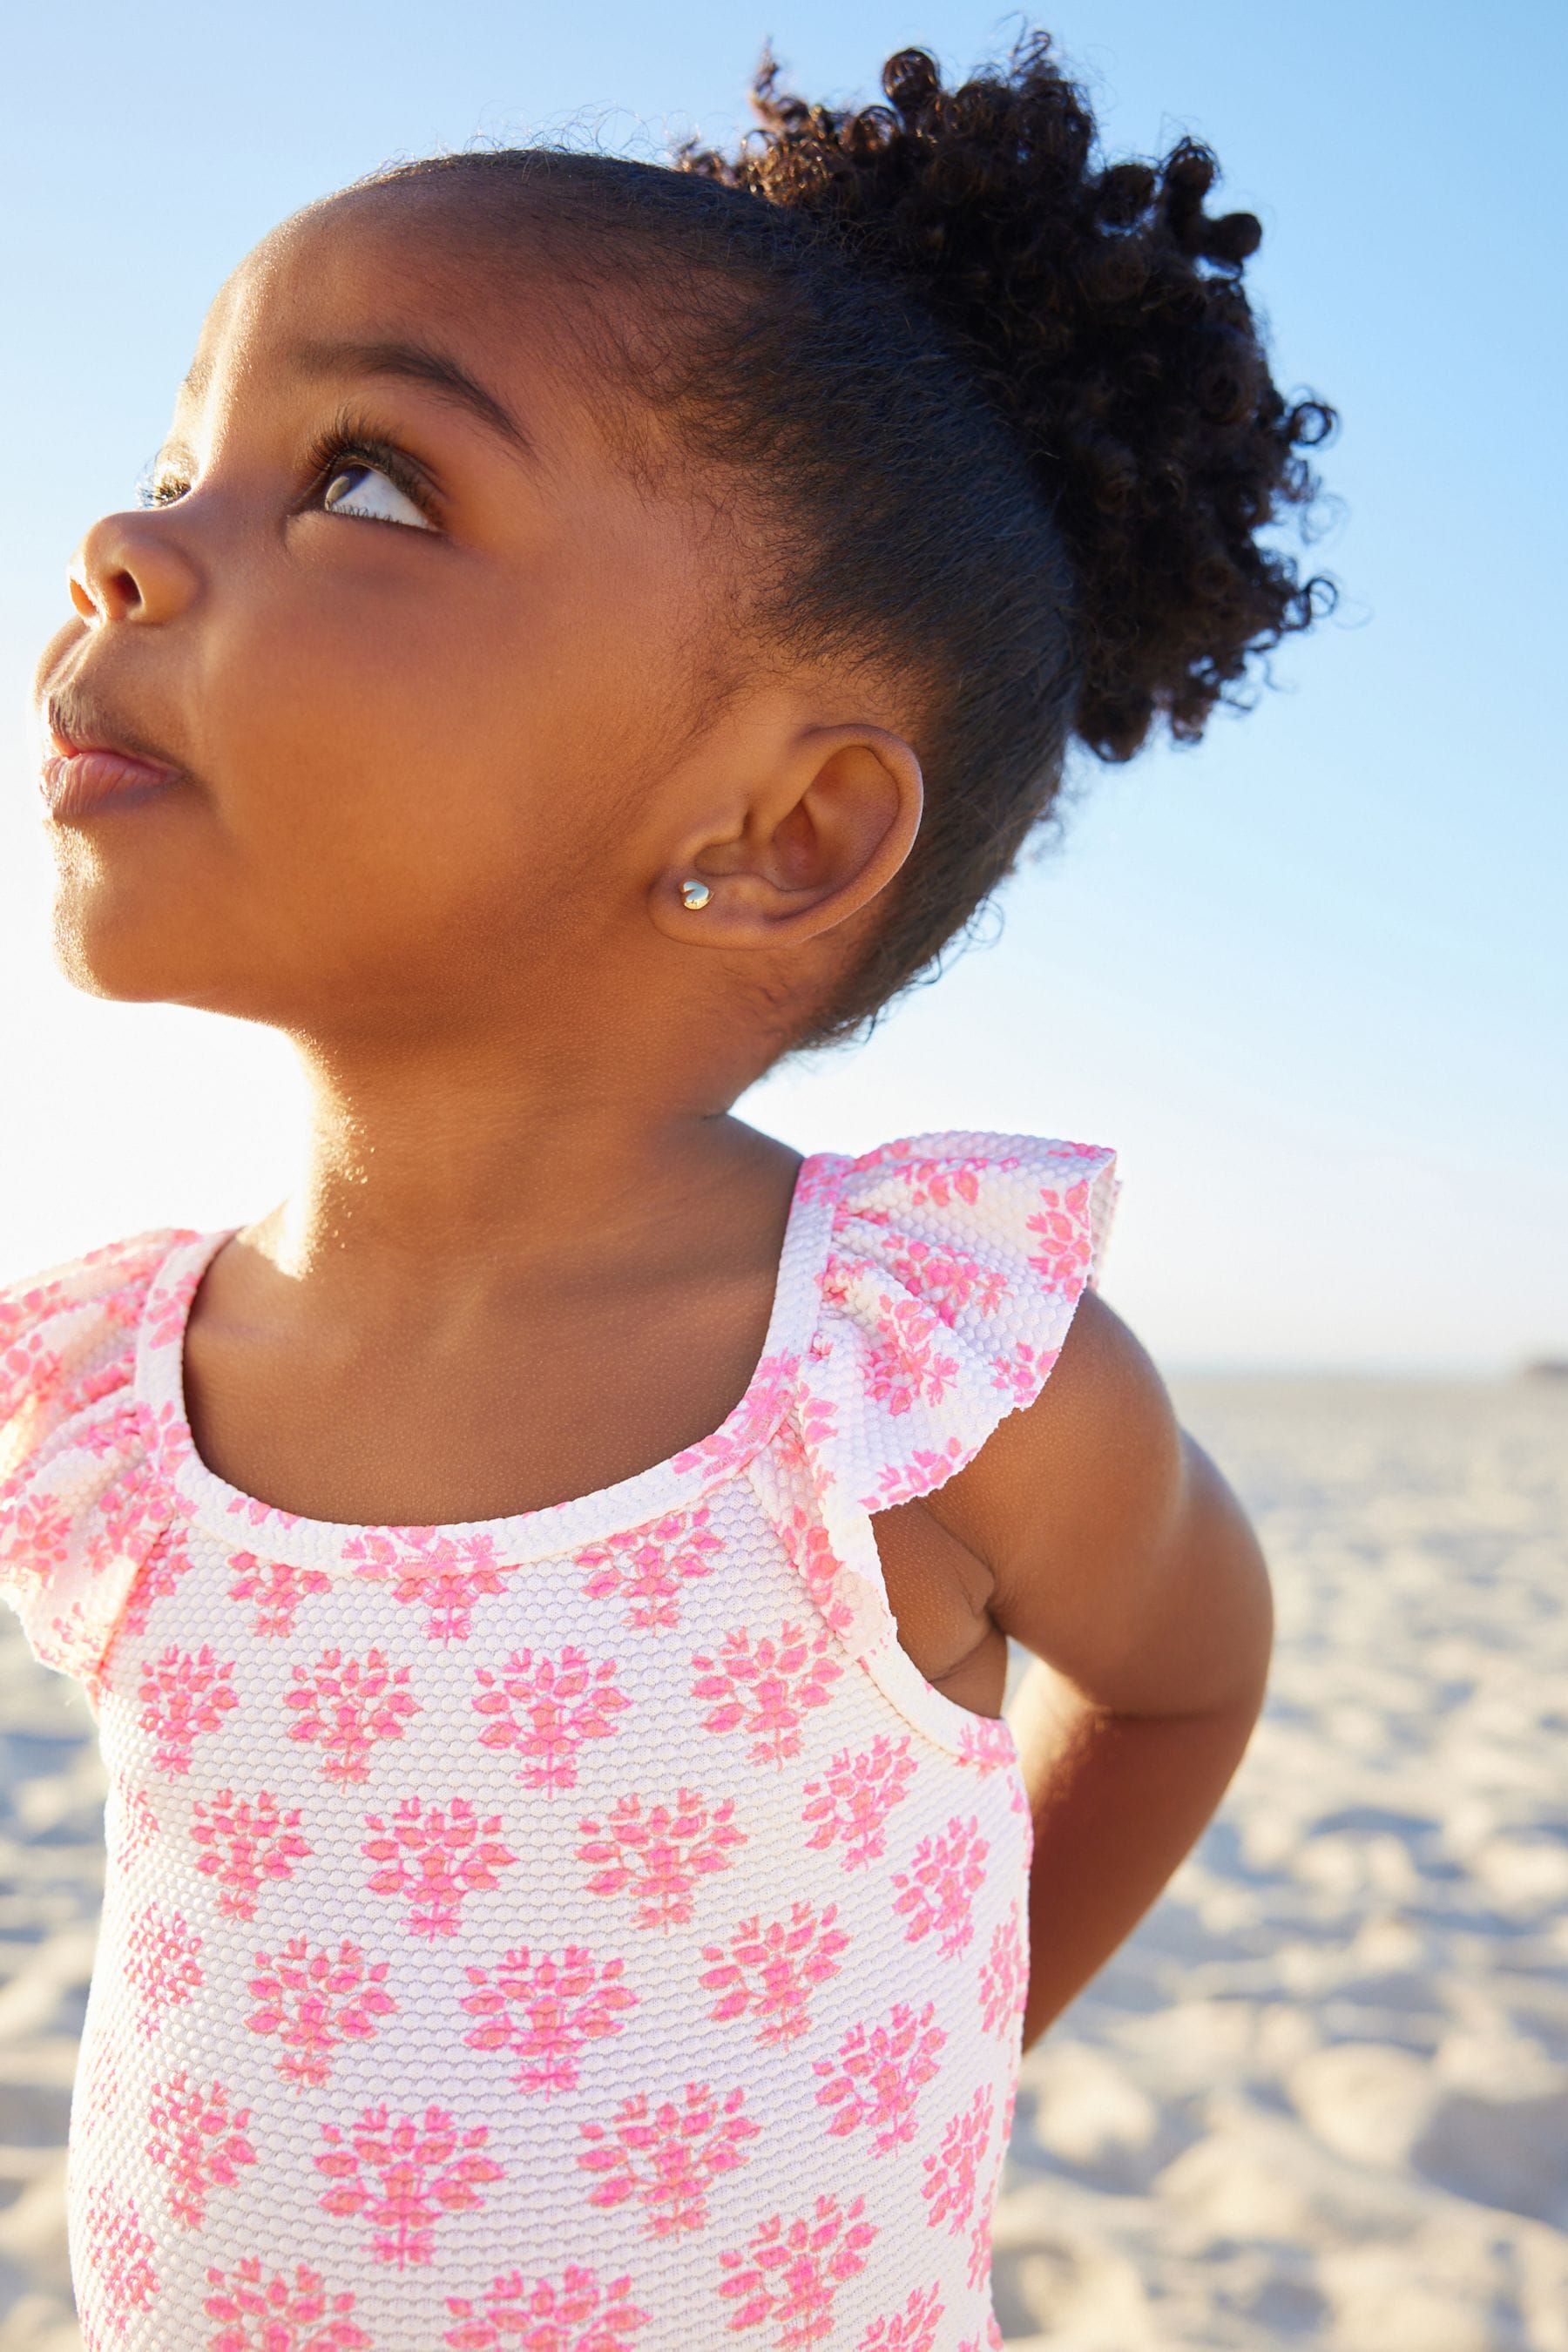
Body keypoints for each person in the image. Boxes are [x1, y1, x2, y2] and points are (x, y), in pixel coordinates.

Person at [3, 30, 1332, 2350]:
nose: (122, 548)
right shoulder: (108, 1391)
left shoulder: (905, 1377)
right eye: (168, 466)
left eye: (370, 484)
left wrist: (941, 2042)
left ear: (782, 828)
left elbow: (1188, 1672)